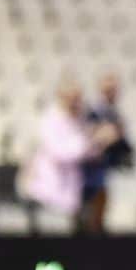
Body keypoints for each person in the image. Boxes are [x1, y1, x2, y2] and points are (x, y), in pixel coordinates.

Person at [18, 78, 119, 230]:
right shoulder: (50, 120)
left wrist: (102, 142)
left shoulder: (78, 120)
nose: (76, 103)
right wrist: (94, 140)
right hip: (48, 194)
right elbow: (62, 153)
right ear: (62, 97)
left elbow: (88, 152)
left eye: (78, 99)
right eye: (73, 99)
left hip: (69, 197)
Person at [81, 73, 134, 234]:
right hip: (90, 174)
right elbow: (93, 140)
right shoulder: (92, 113)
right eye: (108, 90)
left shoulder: (115, 115)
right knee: (89, 216)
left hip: (106, 172)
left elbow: (123, 143)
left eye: (114, 90)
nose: (112, 94)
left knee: (100, 214)